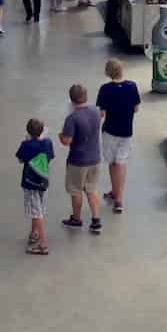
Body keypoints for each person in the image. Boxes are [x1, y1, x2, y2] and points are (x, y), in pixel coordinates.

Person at [59, 84, 105, 234]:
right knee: (91, 189)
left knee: (76, 190)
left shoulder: (72, 118)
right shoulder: (96, 112)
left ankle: (77, 219)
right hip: (95, 158)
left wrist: (61, 135)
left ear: (71, 100)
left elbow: (67, 141)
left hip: (78, 160)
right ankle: (96, 220)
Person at [96, 59, 141, 213]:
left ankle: (116, 194)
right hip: (126, 130)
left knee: (112, 162)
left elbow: (102, 113)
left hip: (110, 130)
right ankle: (118, 196)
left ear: (108, 72)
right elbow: (136, 109)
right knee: (121, 162)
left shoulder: (105, 89)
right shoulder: (132, 86)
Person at [17, 118, 54, 255]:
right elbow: (50, 157)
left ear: (28, 131)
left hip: (30, 183)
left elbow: (21, 159)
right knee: (38, 208)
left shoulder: (25, 145)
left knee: (36, 213)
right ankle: (34, 232)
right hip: (43, 182)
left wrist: (28, 142)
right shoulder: (47, 143)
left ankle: (43, 245)